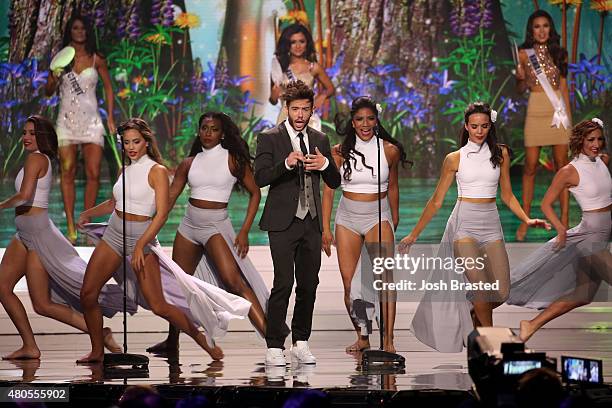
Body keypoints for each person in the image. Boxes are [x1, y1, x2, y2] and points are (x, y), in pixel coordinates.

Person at [77, 118, 251, 363]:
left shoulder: (157, 171)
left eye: (136, 141)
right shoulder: (124, 170)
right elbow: (116, 203)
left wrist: (140, 245)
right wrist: (88, 213)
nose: (131, 147)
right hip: (114, 235)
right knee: (87, 294)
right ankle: (97, 351)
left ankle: (202, 341)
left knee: (159, 305)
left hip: (142, 239)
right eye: (126, 143)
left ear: (146, 142)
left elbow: (161, 213)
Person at [397, 102, 549, 352]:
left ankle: (471, 310)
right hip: (464, 227)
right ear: (466, 126)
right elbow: (436, 201)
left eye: (485, 126)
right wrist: (414, 234)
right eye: (475, 126)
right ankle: (491, 348)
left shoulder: (501, 154)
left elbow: (508, 195)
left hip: (491, 226)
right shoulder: (454, 159)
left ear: (491, 126)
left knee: (500, 292)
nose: (479, 131)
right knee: (481, 288)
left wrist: (526, 219)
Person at [0, 115, 125, 360]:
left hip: (36, 235)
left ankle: (100, 332)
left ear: (43, 137)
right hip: (24, 232)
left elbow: (25, 196)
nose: (26, 137)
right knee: (4, 288)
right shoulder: (37, 158)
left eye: (32, 133)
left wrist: (1, 205)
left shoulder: (36, 158)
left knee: (42, 304)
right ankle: (30, 346)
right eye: (25, 132)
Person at [146, 112, 268, 353]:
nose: (208, 133)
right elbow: (169, 200)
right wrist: (149, 229)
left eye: (213, 129)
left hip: (215, 226)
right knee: (180, 283)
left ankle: (272, 341)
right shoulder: (189, 163)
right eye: (204, 128)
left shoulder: (232, 160)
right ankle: (172, 342)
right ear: (199, 131)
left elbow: (256, 193)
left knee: (234, 282)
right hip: (189, 226)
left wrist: (244, 231)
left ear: (222, 134)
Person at [255, 80, 340, 365]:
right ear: (286, 109)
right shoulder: (269, 137)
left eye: (305, 109)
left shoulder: (320, 140)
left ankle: (301, 341)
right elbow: (260, 178)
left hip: (311, 223)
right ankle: (274, 346)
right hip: (282, 222)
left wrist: (326, 165)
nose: (300, 115)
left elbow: (334, 182)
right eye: (295, 109)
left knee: (308, 284)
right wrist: (287, 164)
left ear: (312, 109)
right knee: (283, 282)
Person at [508, 119, 611, 341]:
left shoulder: (603, 160)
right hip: (589, 240)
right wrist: (561, 229)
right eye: (590, 139)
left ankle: (531, 325)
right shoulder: (569, 171)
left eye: (599, 139)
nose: (596, 144)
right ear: (580, 140)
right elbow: (546, 203)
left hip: (602, 238)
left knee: (582, 296)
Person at [322, 97, 409, 353]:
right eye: (360, 119)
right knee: (350, 285)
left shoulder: (389, 150)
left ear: (377, 120)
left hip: (377, 216)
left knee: (384, 280)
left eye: (370, 118)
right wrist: (325, 228)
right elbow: (328, 190)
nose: (365, 124)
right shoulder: (339, 152)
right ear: (352, 122)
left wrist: (394, 216)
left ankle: (389, 340)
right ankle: (363, 335)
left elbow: (393, 186)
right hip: (347, 217)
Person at [45, 14, 115, 244]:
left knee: (94, 174)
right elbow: (48, 91)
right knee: (68, 173)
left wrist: (111, 118)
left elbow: (108, 88)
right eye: (75, 28)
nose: (80, 31)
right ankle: (71, 229)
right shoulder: (60, 60)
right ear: (70, 31)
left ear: (87, 31)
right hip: (66, 122)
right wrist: (54, 77)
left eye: (83, 28)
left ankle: (86, 225)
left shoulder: (97, 59)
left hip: (92, 123)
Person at [515, 10, 571, 241]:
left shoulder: (560, 53)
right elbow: (520, 89)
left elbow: (565, 87)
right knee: (529, 167)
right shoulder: (523, 54)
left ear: (551, 29)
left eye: (545, 26)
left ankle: (565, 220)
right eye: (537, 26)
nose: (541, 30)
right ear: (531, 30)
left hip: (557, 111)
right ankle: (526, 219)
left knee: (562, 167)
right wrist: (520, 78)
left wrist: (569, 119)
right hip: (535, 109)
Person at [269, 23, 335, 131]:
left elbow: (331, 89)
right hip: (286, 119)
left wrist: (322, 97)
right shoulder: (280, 67)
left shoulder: (313, 67)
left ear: (307, 43)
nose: (298, 46)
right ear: (287, 45)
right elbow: (273, 101)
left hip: (308, 119)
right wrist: (274, 95)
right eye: (293, 42)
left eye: (302, 41)